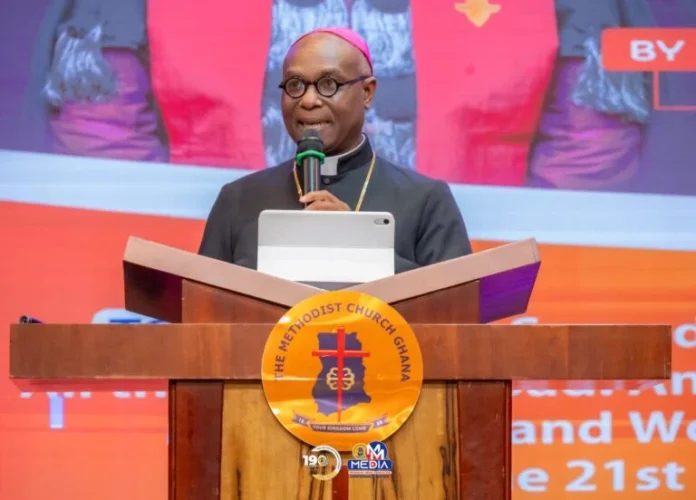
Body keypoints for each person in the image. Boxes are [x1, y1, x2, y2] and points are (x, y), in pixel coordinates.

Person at [198, 27, 472, 273]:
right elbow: (202, 306)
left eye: (328, 84)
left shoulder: (426, 201)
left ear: (367, 92)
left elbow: (453, 306)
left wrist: (356, 246)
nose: (308, 100)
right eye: (295, 85)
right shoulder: (238, 200)